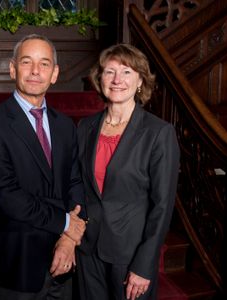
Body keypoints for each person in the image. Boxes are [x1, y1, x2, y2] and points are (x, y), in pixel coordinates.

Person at [0, 34, 87, 300]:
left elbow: (75, 182)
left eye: (44, 64)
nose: (36, 71)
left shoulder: (65, 126)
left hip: (63, 261)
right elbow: (7, 196)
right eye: (27, 62)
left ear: (55, 73)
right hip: (17, 267)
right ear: (13, 69)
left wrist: (69, 239)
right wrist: (66, 223)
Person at [76, 44, 180, 300]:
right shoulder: (85, 127)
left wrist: (145, 264)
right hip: (89, 250)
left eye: (126, 72)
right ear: (100, 79)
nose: (117, 80)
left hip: (130, 254)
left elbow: (162, 206)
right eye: (109, 72)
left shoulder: (158, 132)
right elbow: (78, 186)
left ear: (140, 81)